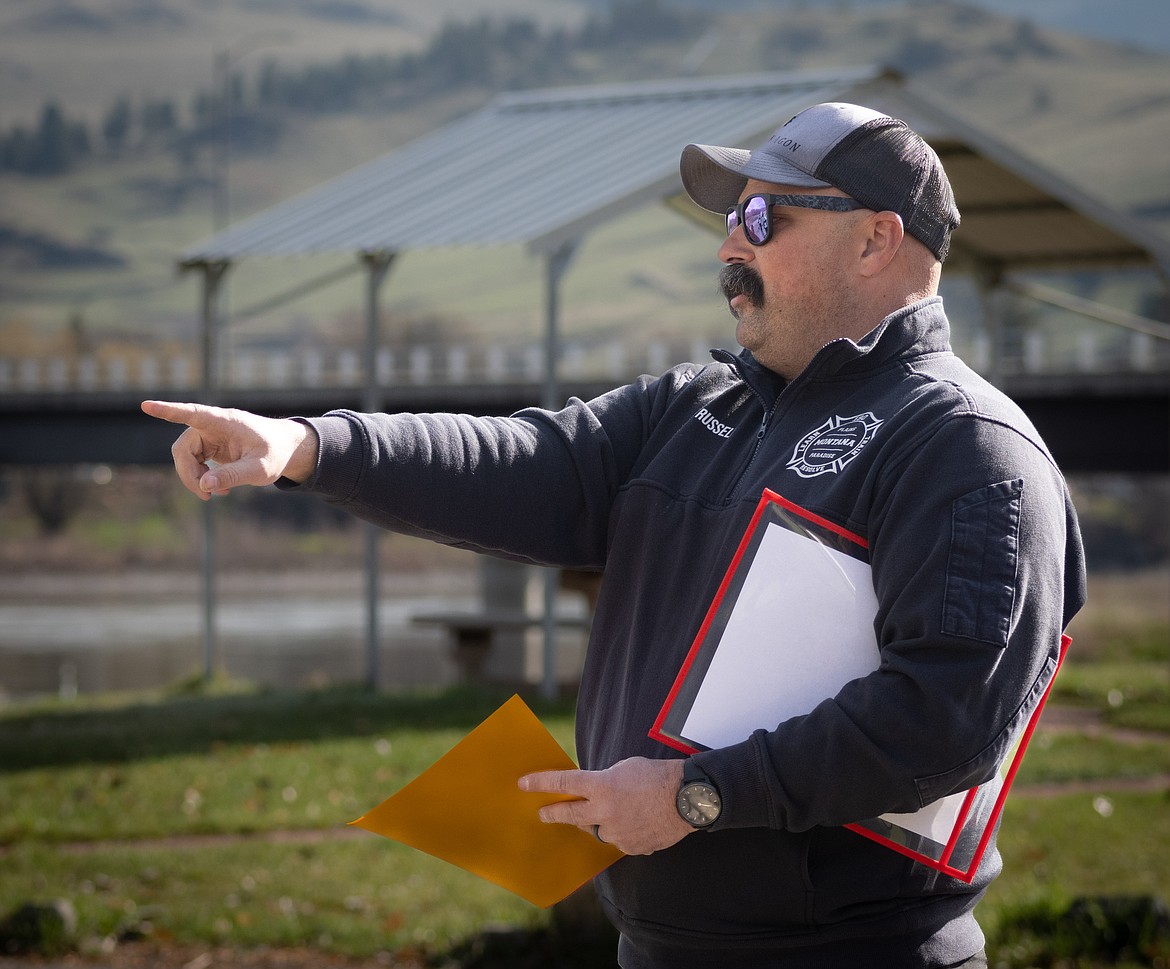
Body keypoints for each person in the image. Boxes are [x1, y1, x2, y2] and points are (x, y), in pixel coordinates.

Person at [143, 101, 1086, 969]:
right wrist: (309, 446)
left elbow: (944, 721)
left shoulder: (964, 447)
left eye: (764, 221)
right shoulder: (696, 407)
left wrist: (694, 795)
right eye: (728, 219)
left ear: (878, 239)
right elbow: (521, 461)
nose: (730, 246)